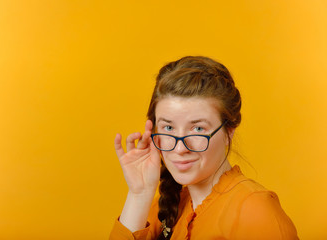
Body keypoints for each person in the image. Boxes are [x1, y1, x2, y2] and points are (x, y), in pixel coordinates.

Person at [110, 56, 298, 239]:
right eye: (168, 127)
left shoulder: (255, 210)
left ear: (229, 131)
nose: (180, 147)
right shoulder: (164, 209)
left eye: (198, 128)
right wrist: (139, 193)